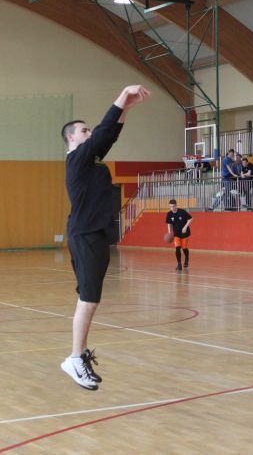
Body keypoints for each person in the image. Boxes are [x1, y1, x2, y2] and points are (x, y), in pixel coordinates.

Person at [60, 84, 151, 390]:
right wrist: (122, 97)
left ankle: (80, 353)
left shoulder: (91, 160)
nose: (89, 133)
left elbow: (109, 135)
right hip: (85, 234)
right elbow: (102, 132)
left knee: (90, 299)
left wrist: (128, 109)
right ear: (72, 138)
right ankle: (74, 359)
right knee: (88, 299)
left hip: (95, 234)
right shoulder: (76, 159)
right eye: (83, 130)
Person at [166, 199, 192, 271]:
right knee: (177, 248)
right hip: (176, 234)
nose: (172, 208)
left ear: (176, 205)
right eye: (171, 207)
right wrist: (169, 232)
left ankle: (186, 258)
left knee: (184, 248)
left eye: (173, 206)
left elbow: (190, 219)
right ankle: (179, 264)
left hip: (184, 233)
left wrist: (185, 227)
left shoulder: (182, 212)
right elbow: (169, 224)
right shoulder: (169, 214)